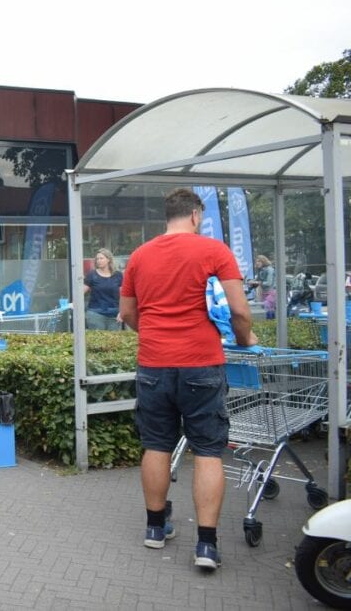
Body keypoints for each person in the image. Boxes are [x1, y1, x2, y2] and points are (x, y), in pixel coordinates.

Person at [118, 188, 256, 571]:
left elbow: (127, 313)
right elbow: (239, 311)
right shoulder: (214, 252)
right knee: (209, 450)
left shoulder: (140, 256)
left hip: (153, 365)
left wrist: (156, 334)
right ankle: (207, 546)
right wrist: (246, 339)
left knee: (156, 445)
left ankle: (155, 529)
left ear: (168, 216)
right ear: (196, 216)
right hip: (201, 364)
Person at [83, 248, 123, 330]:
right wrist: (74, 303)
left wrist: (122, 312)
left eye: (101, 258)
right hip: (95, 313)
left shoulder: (118, 275)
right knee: (97, 341)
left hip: (114, 315)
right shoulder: (92, 274)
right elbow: (80, 292)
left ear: (108, 259)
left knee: (114, 342)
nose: (98, 261)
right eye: (97, 259)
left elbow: (123, 295)